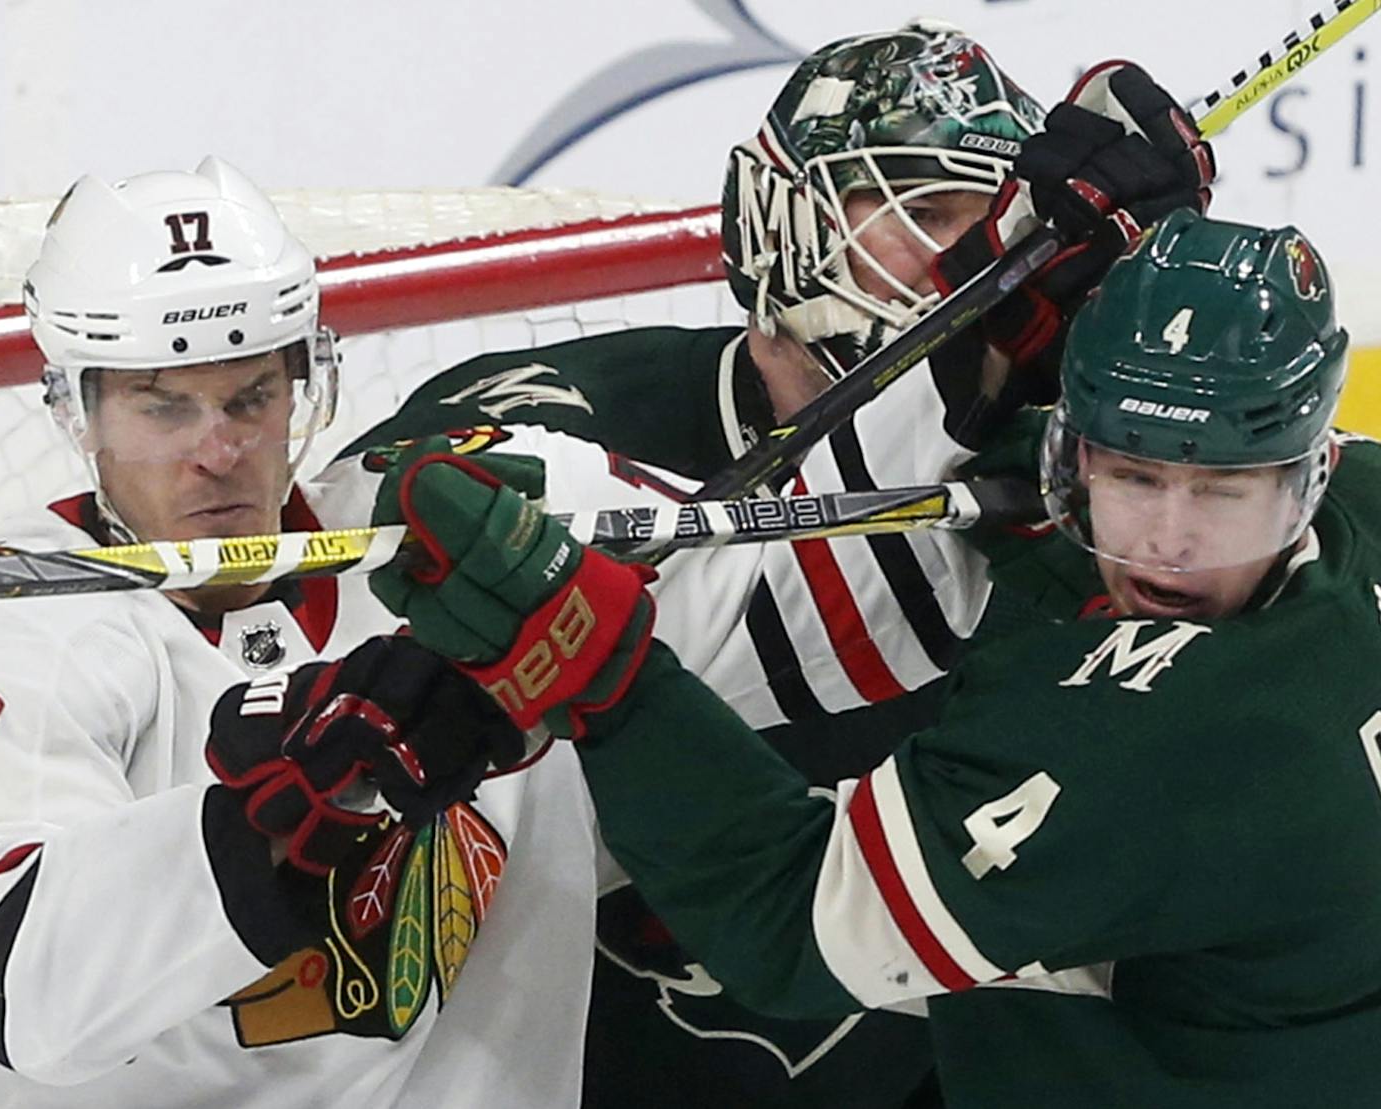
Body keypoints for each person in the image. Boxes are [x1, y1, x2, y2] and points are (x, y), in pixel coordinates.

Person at [347, 22, 1213, 1107]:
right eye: (931, 210)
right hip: (584, 1059)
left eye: (1000, 224)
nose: (973, 256)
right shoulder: (564, 410)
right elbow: (425, 557)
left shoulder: (1045, 465)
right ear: (782, 218)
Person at [368, 208, 1380, 1107]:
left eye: (1219, 493)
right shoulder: (1361, 504)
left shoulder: (1176, 743)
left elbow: (786, 918)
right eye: (1131, 475)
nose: (1165, 540)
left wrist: (600, 671)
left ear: (1306, 468)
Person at [0, 157, 600, 1108]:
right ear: (78, 409)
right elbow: (17, 985)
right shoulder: (21, 628)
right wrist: (279, 807)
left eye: (251, 398)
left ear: (304, 384)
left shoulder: (453, 533)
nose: (217, 453)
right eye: (162, 404)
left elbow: (832, 609)